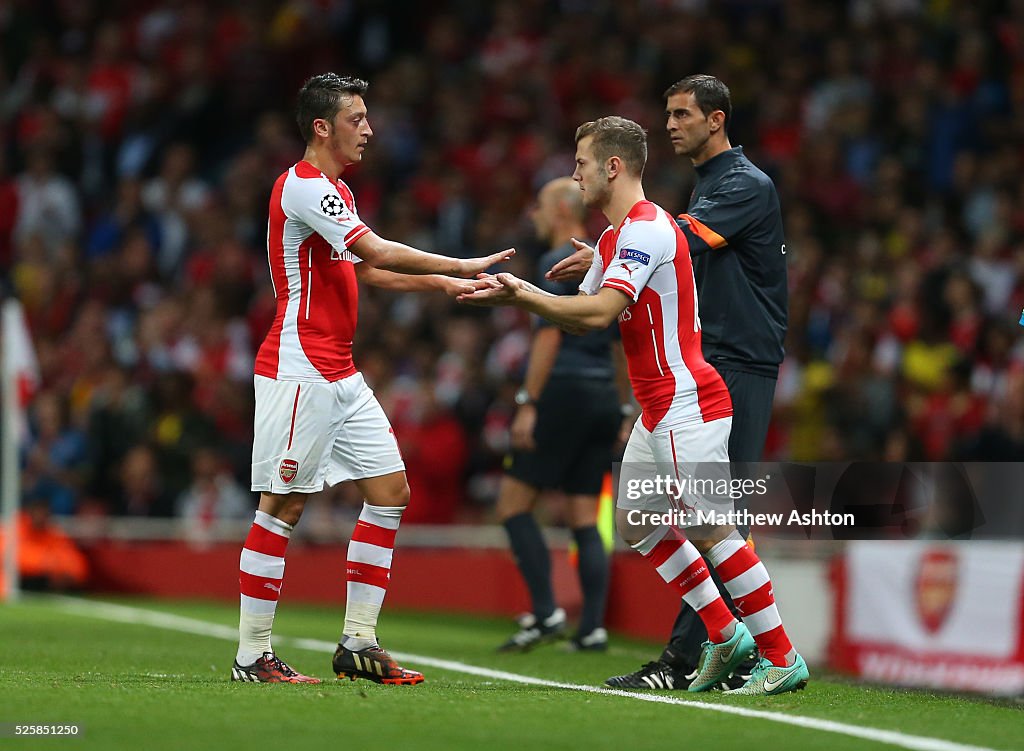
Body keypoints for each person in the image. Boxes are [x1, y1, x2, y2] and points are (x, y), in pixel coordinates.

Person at [461, 115, 807, 696]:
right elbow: (583, 318)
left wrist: (521, 292)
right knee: (637, 523)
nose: (575, 175)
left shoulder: (645, 230)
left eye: (581, 164)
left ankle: (780, 655)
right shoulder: (619, 236)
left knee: (711, 528)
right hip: (657, 408)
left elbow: (594, 314)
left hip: (684, 400)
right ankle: (724, 637)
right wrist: (571, 275)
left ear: (613, 167)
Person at [232, 73, 513, 685]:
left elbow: (371, 273)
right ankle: (252, 656)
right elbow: (379, 253)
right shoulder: (303, 187)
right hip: (299, 365)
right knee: (282, 506)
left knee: (390, 491)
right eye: (357, 118)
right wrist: (459, 260)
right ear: (321, 127)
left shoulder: (336, 191)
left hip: (340, 369)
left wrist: (441, 284)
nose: (370, 128)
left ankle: (358, 644)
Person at [547, 75, 789, 691]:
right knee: (657, 517)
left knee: (714, 520)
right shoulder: (700, 188)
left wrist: (610, 253)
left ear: (718, 120)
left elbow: (673, 239)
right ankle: (715, 642)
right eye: (669, 113)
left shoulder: (742, 185)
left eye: (683, 114)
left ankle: (751, 656)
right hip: (693, 365)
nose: (672, 123)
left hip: (737, 363)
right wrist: (610, 251)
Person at [496, 177, 628, 653]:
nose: (533, 214)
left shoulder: (558, 264)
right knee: (583, 516)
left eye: (538, 205)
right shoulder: (609, 263)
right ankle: (592, 626)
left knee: (512, 504)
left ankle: (547, 611)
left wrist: (527, 404)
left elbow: (549, 336)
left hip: (562, 394)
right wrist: (626, 407)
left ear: (558, 212)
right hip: (601, 401)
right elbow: (620, 348)